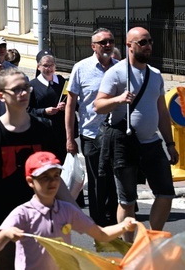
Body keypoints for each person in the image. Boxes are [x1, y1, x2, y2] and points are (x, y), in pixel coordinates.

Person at [0, 67, 75, 269]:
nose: (24, 93)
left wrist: (75, 213)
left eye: (26, 88)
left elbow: (55, 179)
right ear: (1, 96)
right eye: (16, 89)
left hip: (42, 222)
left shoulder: (44, 129)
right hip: (2, 222)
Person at [94, 27, 179, 239]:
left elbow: (161, 111)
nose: (148, 45)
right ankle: (128, 249)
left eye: (149, 41)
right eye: (142, 42)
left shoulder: (156, 75)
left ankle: (152, 238)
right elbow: (98, 105)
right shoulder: (116, 73)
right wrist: (118, 99)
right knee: (127, 200)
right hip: (124, 143)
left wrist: (169, 143)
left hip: (151, 144)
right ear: (129, 46)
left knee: (166, 193)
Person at [0, 151, 136, 270]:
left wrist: (123, 226)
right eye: (45, 177)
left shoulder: (67, 210)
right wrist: (7, 234)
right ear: (30, 181)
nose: (52, 182)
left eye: (56, 176)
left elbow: (101, 234)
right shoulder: (23, 213)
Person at [65, 28, 119, 226]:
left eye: (110, 41)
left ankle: (115, 219)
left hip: (116, 132)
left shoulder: (120, 68)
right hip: (91, 133)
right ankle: (98, 223)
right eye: (103, 42)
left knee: (116, 178)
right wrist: (70, 138)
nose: (107, 45)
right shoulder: (81, 68)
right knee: (97, 180)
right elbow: (71, 105)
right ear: (93, 46)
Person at [28, 54, 67, 162]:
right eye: (45, 65)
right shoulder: (32, 85)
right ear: (38, 67)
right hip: (42, 131)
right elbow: (27, 110)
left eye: (51, 65)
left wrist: (65, 106)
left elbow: (70, 101)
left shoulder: (61, 81)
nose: (49, 68)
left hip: (61, 131)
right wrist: (44, 111)